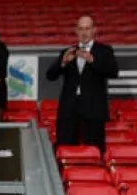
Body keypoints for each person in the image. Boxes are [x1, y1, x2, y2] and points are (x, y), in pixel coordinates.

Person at [45, 15, 119, 154]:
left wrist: (92, 60)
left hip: (93, 109)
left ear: (94, 30)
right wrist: (63, 63)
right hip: (69, 109)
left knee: (94, 149)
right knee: (65, 148)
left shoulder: (104, 51)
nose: (84, 32)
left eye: (87, 28)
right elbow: (50, 75)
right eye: (81, 29)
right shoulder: (68, 51)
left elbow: (113, 72)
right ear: (76, 31)